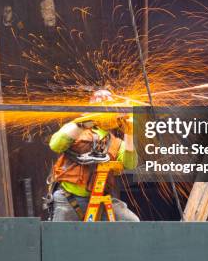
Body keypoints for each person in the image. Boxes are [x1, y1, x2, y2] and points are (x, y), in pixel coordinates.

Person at [47, 89, 139, 221]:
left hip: (99, 199)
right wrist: (86, 122)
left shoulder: (116, 142)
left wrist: (129, 132)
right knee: (61, 239)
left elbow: (130, 164)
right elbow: (56, 144)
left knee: (131, 222)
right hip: (68, 199)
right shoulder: (76, 129)